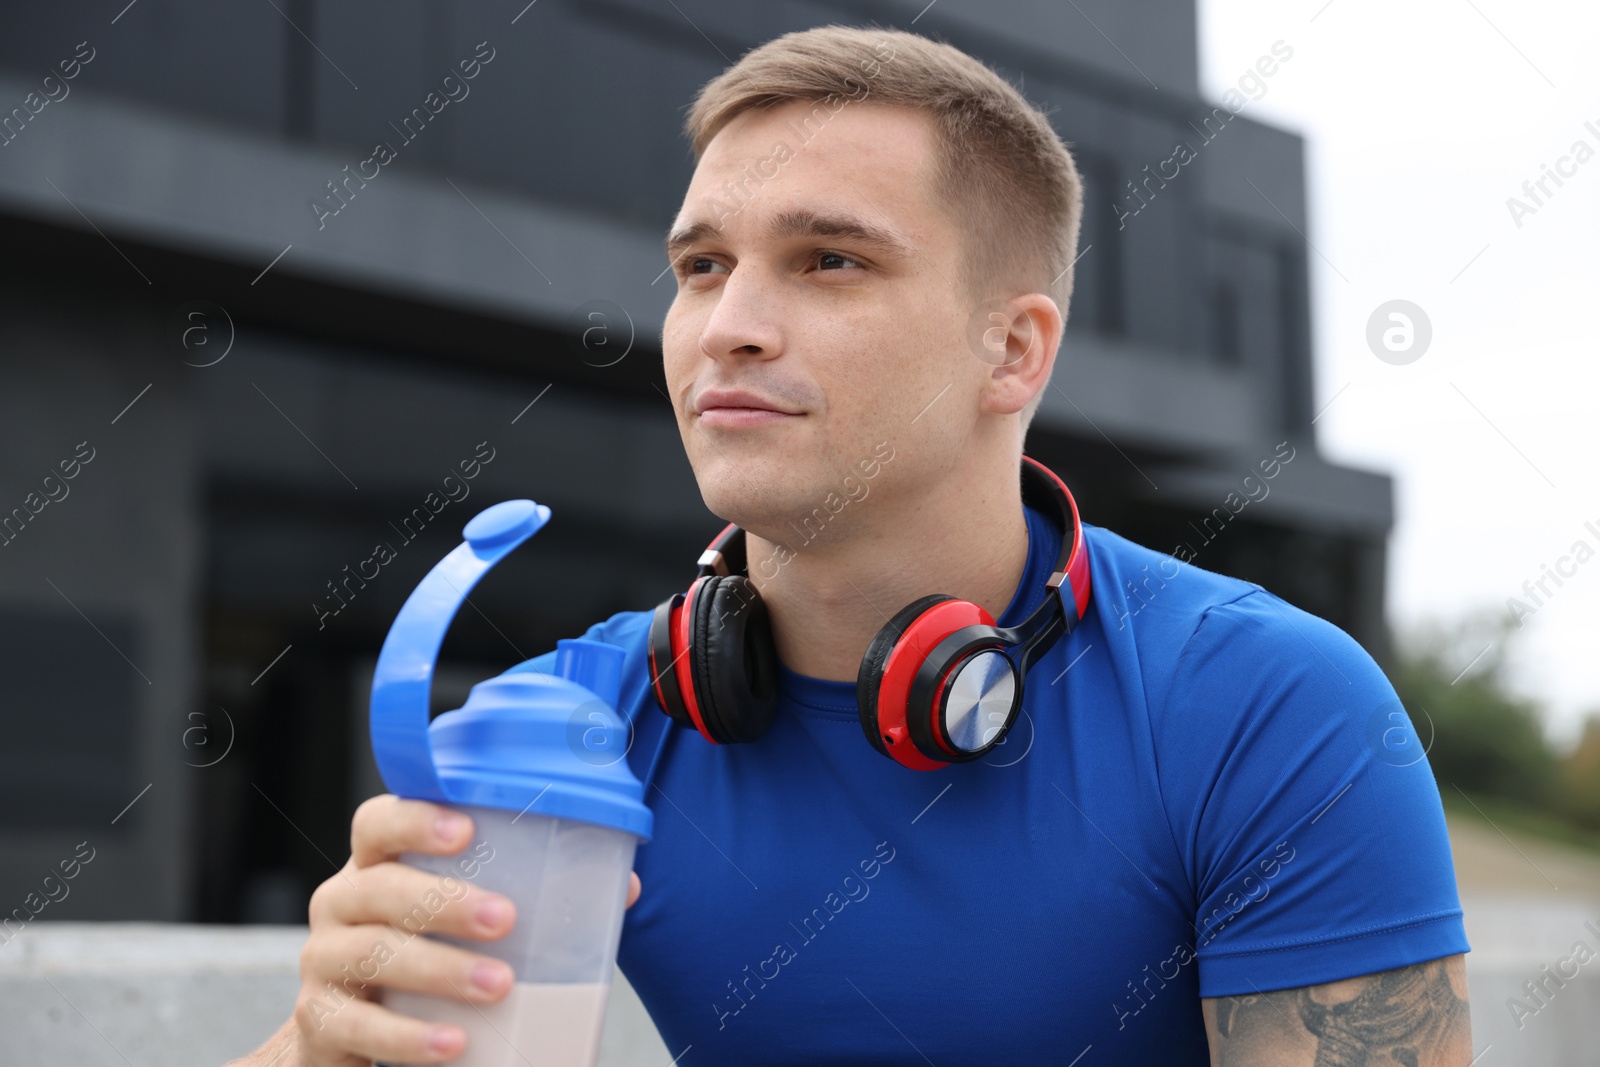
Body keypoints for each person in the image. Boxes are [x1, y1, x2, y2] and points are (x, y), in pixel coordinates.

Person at [234, 24, 1472, 1067]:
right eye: (701, 264)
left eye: (829, 260)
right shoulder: (565, 722)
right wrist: (318, 1038)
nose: (728, 327)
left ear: (1014, 350)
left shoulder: (1263, 704)